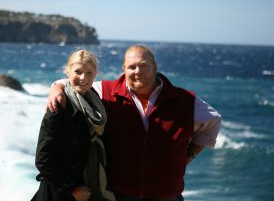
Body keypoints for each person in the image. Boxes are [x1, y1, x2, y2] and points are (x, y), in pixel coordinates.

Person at [47, 45, 222, 201]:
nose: (137, 71)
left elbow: (213, 121)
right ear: (124, 69)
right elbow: (78, 82)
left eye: (143, 65)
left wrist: (190, 154)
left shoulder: (183, 100)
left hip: (166, 195)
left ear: (154, 67)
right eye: (131, 67)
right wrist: (57, 87)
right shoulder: (105, 91)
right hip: (118, 193)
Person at [32, 50, 115, 201]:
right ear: (68, 71)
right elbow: (43, 159)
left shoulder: (95, 103)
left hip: (87, 185)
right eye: (78, 71)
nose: (83, 78)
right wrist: (72, 189)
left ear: (96, 74)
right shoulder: (58, 105)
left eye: (89, 73)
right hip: (60, 193)